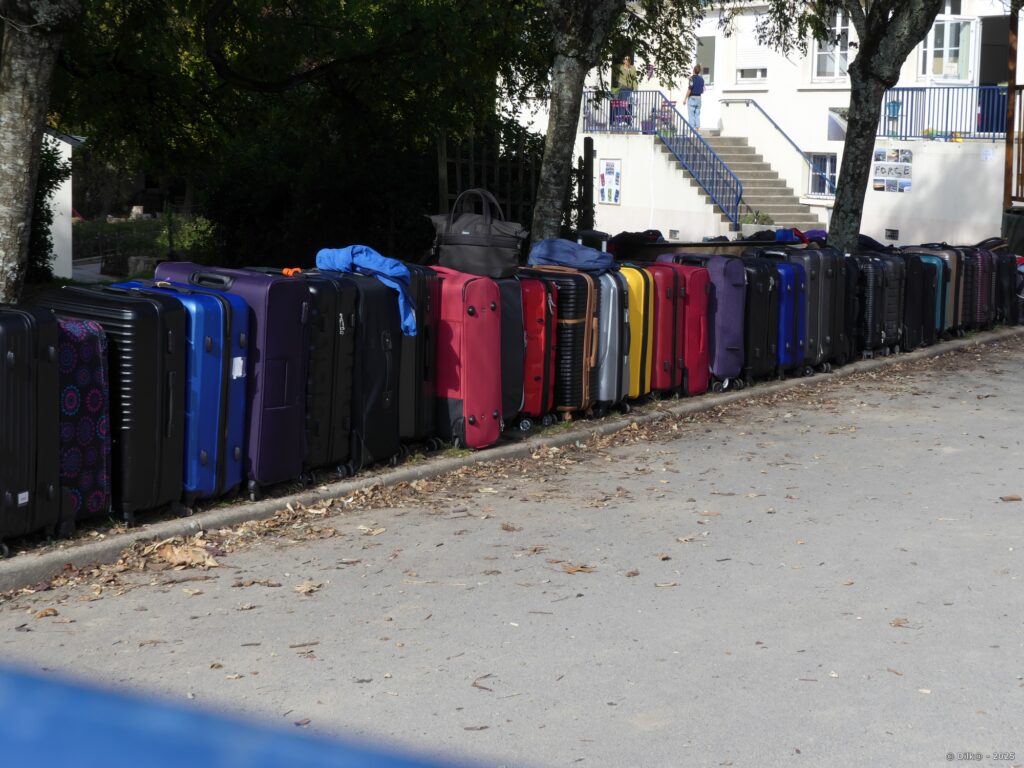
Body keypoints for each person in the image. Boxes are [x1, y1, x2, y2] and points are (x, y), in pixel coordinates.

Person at [685, 63, 705, 130]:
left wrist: (685, 99)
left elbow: (690, 89)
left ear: (693, 70)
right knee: (697, 113)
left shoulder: (691, 79)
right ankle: (697, 127)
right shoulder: (702, 79)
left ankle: (691, 128)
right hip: (699, 98)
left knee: (691, 114)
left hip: (692, 97)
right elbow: (702, 90)